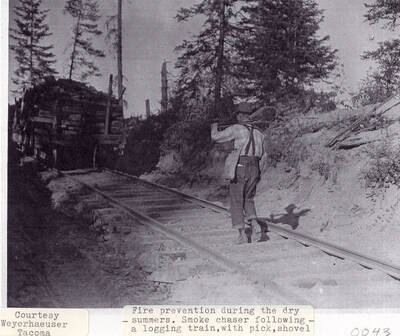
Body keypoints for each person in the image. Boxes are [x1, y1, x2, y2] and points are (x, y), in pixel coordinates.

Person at [211, 102, 268, 244]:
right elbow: (263, 154)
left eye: (237, 115)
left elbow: (216, 137)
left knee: (236, 200)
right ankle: (255, 225)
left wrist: (213, 126)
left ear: (240, 115)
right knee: (249, 198)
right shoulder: (259, 133)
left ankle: (242, 235)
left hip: (240, 166)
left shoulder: (236, 129)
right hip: (255, 167)